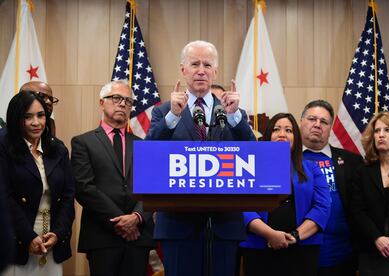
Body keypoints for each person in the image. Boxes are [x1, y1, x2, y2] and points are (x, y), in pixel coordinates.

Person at [146, 40, 256, 276]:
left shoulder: (232, 110)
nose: (201, 70)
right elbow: (149, 154)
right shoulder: (164, 111)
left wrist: (235, 116)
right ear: (183, 69)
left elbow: (252, 152)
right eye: (194, 64)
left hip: (224, 225)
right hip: (177, 224)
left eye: (207, 65)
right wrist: (173, 118)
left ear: (215, 72)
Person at [71, 80, 155, 276]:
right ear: (102, 102)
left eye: (128, 101)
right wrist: (121, 223)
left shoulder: (143, 144)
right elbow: (84, 188)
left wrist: (136, 217)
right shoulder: (83, 142)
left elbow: (151, 187)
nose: (123, 104)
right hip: (102, 236)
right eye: (116, 98)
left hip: (138, 236)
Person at [240, 113, 331, 276]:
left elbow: (322, 207)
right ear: (268, 136)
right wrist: (271, 235)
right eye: (276, 129)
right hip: (259, 248)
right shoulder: (249, 166)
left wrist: (294, 236)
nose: (282, 134)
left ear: (296, 138)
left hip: (302, 248)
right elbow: (242, 207)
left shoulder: (312, 168)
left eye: (289, 130)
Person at [0, 91, 75, 276]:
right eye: (28, 117)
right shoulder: (4, 146)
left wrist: (58, 233)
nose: (36, 122)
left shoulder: (58, 148)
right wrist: (28, 237)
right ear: (16, 118)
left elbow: (68, 196)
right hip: (15, 240)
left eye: (41, 115)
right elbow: (4, 197)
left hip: (51, 241)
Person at [299, 100, 363, 276]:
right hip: (297, 253)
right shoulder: (286, 159)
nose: (317, 125)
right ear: (301, 121)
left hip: (343, 255)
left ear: (330, 128)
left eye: (324, 122)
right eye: (312, 119)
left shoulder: (352, 162)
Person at [351, 112, 389, 276]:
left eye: (387, 130)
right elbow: (357, 210)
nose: (381, 135)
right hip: (371, 250)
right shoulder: (362, 171)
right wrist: (377, 238)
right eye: (377, 131)